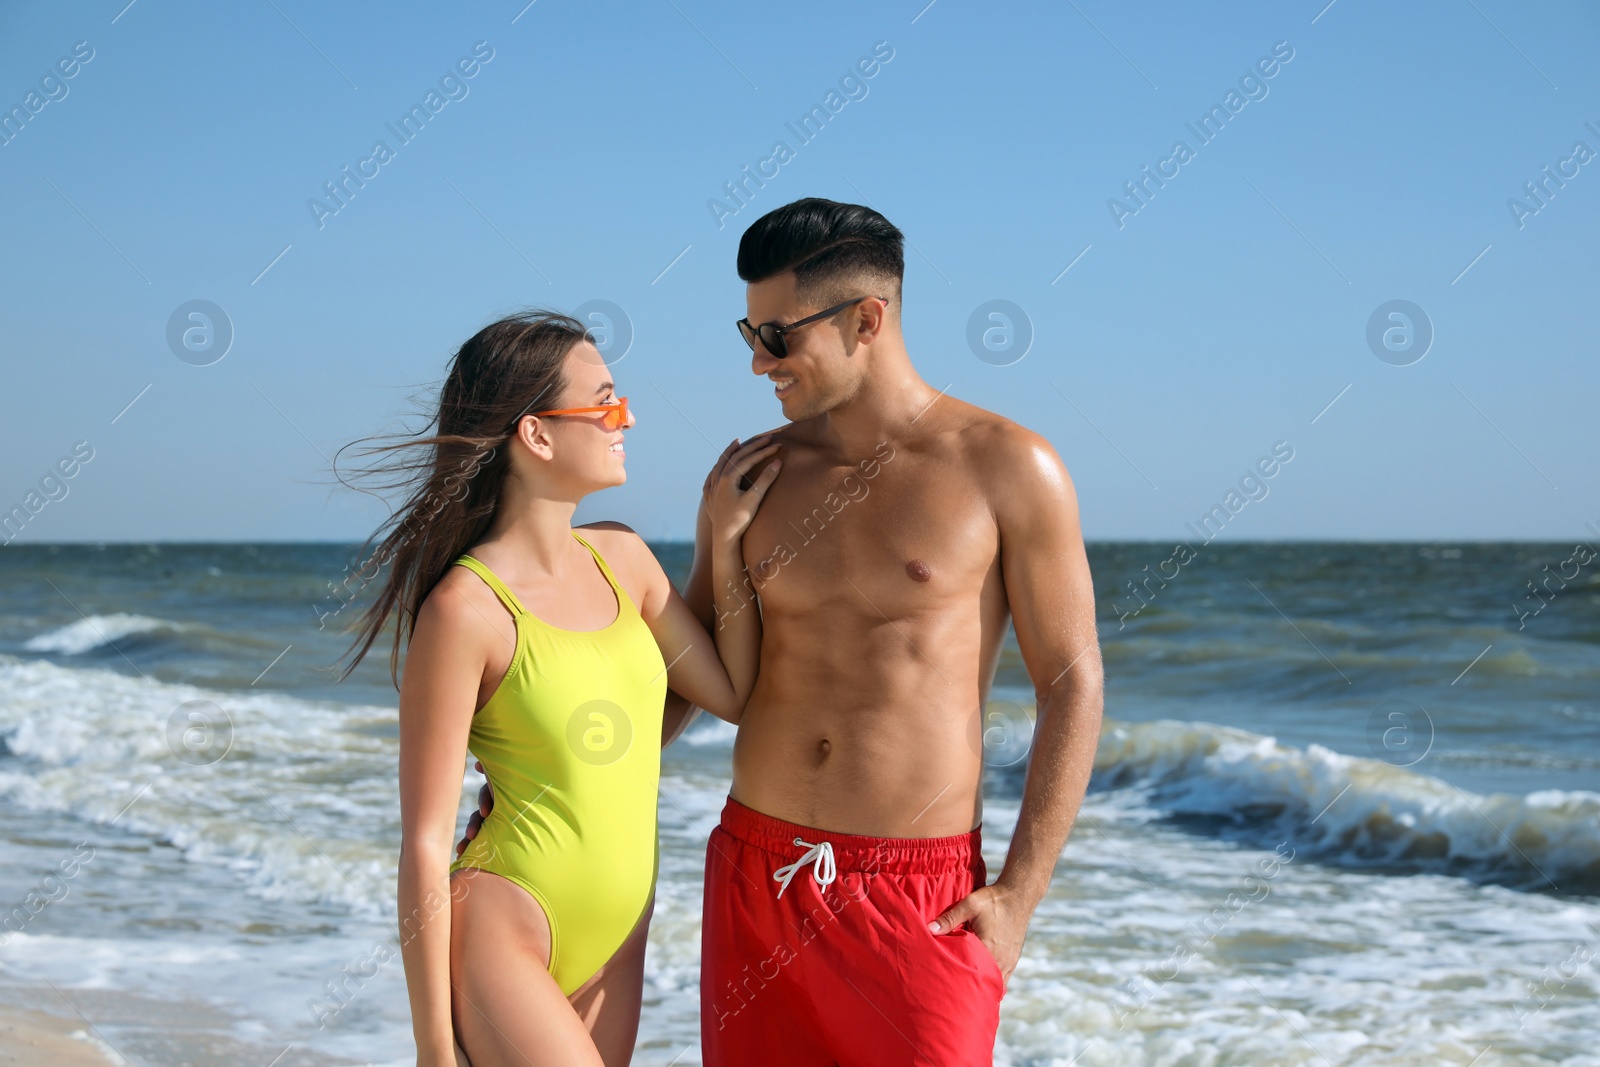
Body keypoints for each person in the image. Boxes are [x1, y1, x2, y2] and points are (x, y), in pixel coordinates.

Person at [461, 198, 1106, 1066]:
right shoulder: (752, 478)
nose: (759, 362)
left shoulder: (1007, 467)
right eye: (749, 332)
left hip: (917, 896)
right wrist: (544, 792)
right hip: (756, 873)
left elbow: (1070, 679)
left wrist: (1021, 895)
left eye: (777, 336)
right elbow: (685, 672)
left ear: (867, 319)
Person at [339, 311, 780, 1066]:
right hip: (506, 924)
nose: (628, 416)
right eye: (604, 401)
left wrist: (723, 537)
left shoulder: (627, 561)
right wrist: (432, 1048)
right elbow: (420, 843)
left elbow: (732, 692)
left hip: (620, 932)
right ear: (537, 435)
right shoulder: (465, 611)